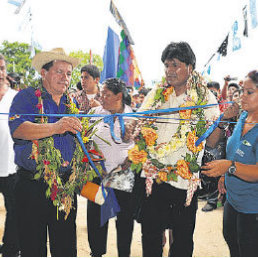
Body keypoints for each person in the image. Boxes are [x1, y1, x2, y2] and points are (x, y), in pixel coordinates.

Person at [126, 41, 221, 256]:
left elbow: (214, 141)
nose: (170, 71)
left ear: (190, 67)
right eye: (167, 65)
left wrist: (220, 122)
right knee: (150, 238)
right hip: (153, 179)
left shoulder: (205, 98)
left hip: (183, 181)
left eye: (175, 65)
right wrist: (133, 126)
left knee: (182, 241)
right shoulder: (156, 94)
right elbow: (137, 125)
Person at [8, 48, 82, 257]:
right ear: (43, 72)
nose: (64, 78)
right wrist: (56, 127)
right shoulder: (27, 97)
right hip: (32, 186)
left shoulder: (72, 103)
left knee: (66, 249)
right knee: (32, 249)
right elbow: (19, 129)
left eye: (68, 73)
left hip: (64, 187)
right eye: (59, 71)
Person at [202, 69, 258, 257]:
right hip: (233, 199)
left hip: (252, 207)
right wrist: (225, 175)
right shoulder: (243, 117)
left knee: (248, 250)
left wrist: (229, 167)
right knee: (232, 241)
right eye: (243, 91)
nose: (243, 96)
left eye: (249, 92)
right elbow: (232, 149)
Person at [87, 78, 135, 257]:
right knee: (96, 220)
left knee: (124, 221)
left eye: (106, 95)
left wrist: (130, 161)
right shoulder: (93, 113)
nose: (102, 98)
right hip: (97, 173)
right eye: (101, 94)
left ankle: (124, 254)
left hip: (123, 174)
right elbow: (86, 140)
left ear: (119, 96)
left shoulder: (133, 116)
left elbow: (141, 146)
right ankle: (96, 253)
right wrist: (95, 162)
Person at [0, 54, 20, 256]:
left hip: (12, 166)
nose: (0, 73)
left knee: (15, 211)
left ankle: (11, 249)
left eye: (2, 68)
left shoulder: (16, 98)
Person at [200, 81, 227, 212]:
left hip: (219, 145)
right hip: (204, 144)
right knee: (205, 170)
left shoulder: (223, 106)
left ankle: (212, 200)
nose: (211, 94)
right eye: (208, 91)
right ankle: (206, 193)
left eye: (214, 92)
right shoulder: (203, 107)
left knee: (215, 171)